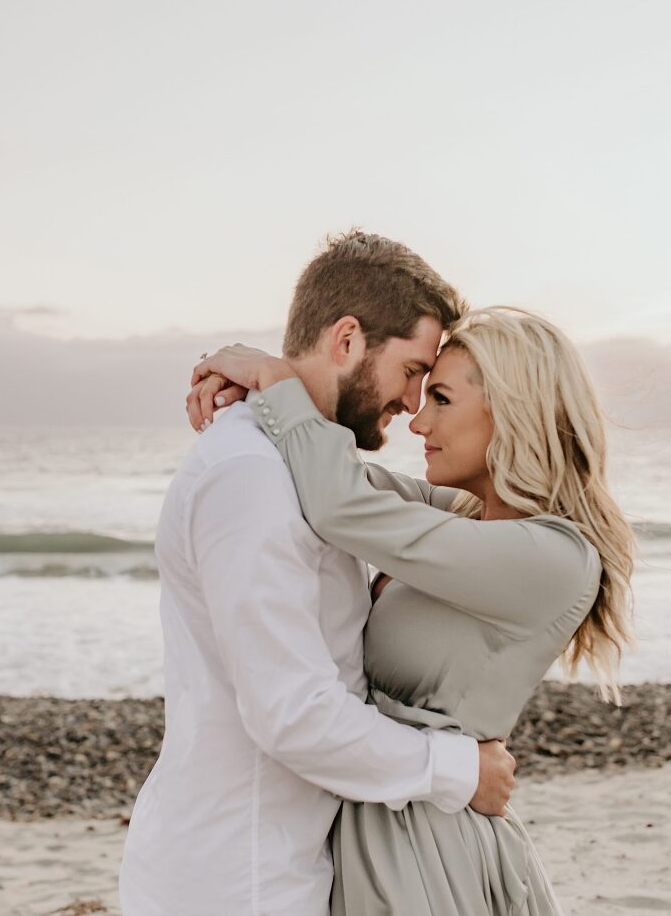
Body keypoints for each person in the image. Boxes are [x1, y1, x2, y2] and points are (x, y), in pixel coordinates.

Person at [189, 306, 635, 915]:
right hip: (384, 820)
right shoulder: (455, 515)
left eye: (442, 399)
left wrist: (274, 378)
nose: (418, 422)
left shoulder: (553, 557)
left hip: (424, 851)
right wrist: (257, 392)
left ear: (515, 409)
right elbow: (326, 471)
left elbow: (338, 503)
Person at [119, 232, 516, 916]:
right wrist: (460, 770)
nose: (414, 403)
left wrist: (272, 376)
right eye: (413, 369)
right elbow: (292, 714)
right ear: (347, 340)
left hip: (281, 865)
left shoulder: (310, 468)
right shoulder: (251, 476)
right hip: (234, 881)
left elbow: (446, 508)